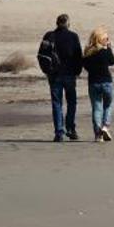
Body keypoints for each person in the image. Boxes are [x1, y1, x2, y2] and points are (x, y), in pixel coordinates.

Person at [36, 13, 83, 142]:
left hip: (54, 75)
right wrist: (78, 71)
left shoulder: (49, 35)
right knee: (71, 102)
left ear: (57, 23)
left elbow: (40, 55)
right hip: (69, 74)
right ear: (68, 23)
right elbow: (78, 56)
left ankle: (59, 132)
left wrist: (47, 71)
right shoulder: (73, 36)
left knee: (57, 103)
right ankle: (70, 129)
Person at [82, 27, 114, 142]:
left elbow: (86, 66)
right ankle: (105, 126)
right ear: (101, 39)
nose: (108, 40)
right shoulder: (105, 51)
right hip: (106, 82)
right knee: (107, 105)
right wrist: (109, 49)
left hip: (93, 83)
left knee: (96, 108)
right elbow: (112, 62)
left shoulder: (88, 52)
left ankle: (98, 135)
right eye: (106, 38)